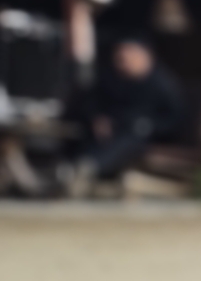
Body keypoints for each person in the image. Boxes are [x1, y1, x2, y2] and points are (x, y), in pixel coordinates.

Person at [66, 38, 188, 191]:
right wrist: (98, 118)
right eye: (119, 59)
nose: (122, 63)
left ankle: (89, 168)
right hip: (113, 128)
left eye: (126, 58)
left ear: (143, 56)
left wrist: (148, 125)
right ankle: (72, 168)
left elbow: (175, 120)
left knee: (130, 136)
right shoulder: (115, 78)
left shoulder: (164, 85)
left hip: (145, 135)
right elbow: (93, 101)